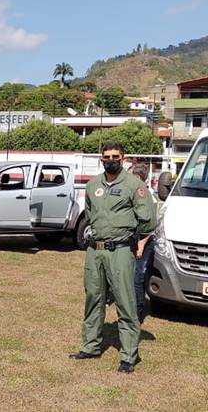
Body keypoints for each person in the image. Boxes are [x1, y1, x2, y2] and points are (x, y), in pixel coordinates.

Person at [69, 142, 156, 373]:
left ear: (123, 157)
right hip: (94, 251)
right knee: (93, 299)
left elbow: (148, 220)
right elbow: (89, 213)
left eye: (115, 156)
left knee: (125, 302)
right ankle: (90, 346)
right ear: (101, 159)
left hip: (120, 251)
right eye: (106, 156)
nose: (110, 160)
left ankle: (128, 356)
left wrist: (133, 238)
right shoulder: (93, 185)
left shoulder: (134, 185)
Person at [130, 163, 157, 324]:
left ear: (138, 177)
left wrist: (141, 244)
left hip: (145, 242)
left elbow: (151, 226)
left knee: (137, 278)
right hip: (136, 240)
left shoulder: (148, 196)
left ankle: (138, 313)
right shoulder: (138, 194)